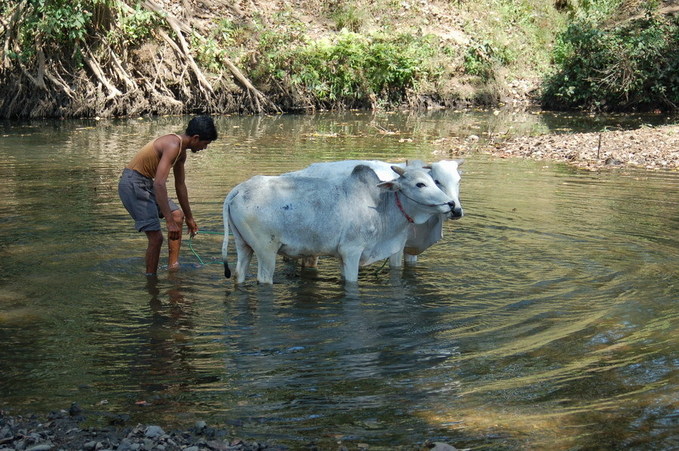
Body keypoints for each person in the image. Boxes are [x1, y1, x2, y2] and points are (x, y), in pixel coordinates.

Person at [118, 116, 218, 276]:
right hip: (133, 184)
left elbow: (180, 185)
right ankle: (151, 280)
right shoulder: (172, 145)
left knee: (178, 215)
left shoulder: (181, 153)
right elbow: (159, 184)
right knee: (156, 238)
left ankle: (173, 267)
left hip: (146, 183)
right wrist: (169, 222)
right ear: (195, 138)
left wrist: (190, 219)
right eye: (205, 144)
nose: (204, 148)